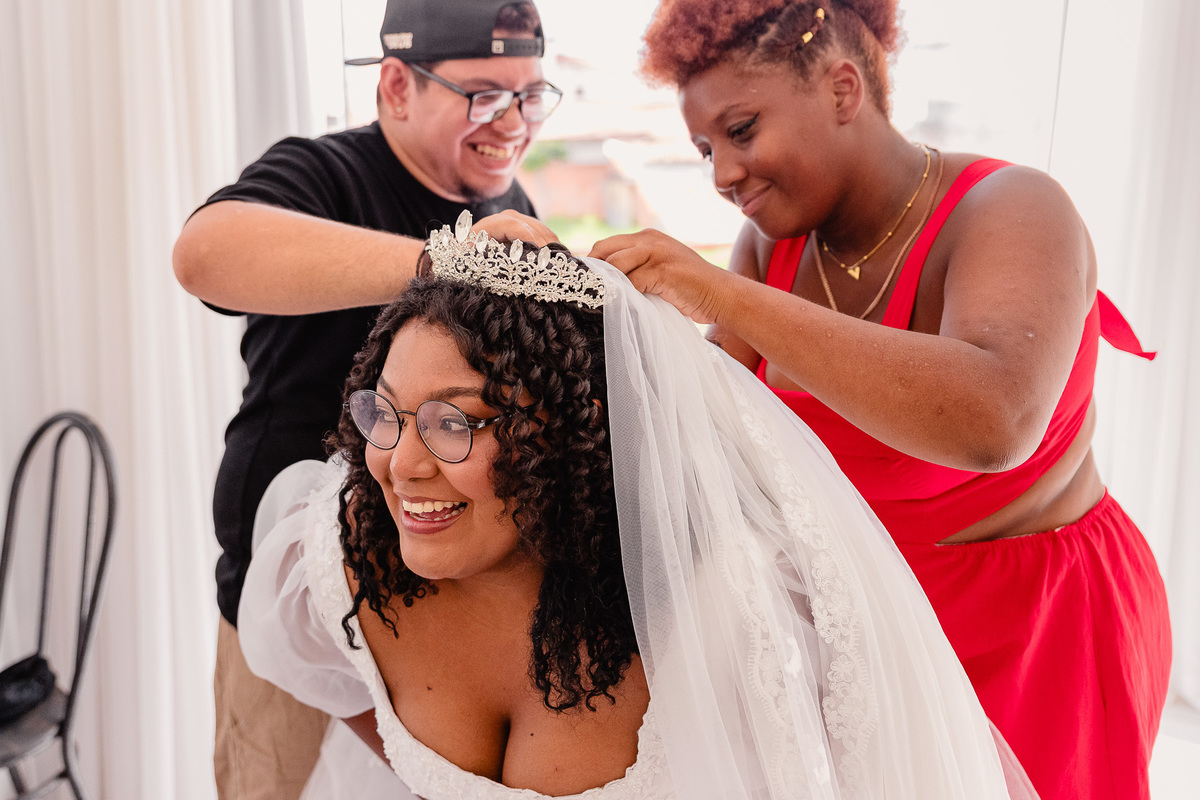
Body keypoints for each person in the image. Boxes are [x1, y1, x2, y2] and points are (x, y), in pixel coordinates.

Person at [239, 216, 1039, 799]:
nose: (399, 464)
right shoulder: (347, 553)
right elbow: (334, 682)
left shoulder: (729, 618)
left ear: (566, 438)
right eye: (385, 412)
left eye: (455, 423)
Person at [587, 2, 1171, 800]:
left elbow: (993, 421)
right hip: (873, 626)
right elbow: (716, 431)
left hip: (1037, 628)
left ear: (841, 87)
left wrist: (718, 291)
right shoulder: (773, 242)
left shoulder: (1015, 208)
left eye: (743, 130)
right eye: (704, 149)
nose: (722, 174)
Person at [170, 1, 560, 795]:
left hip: (437, 614)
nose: (512, 123)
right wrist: (439, 261)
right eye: (483, 95)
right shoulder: (325, 172)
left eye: (531, 96)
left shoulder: (509, 205)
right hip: (290, 597)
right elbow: (204, 253)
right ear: (395, 86)